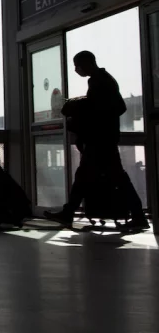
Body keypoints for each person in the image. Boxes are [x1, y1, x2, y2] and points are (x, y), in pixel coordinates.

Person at [45, 51, 149, 231]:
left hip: (100, 141)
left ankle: (68, 213)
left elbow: (101, 108)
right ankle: (138, 216)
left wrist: (79, 107)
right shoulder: (104, 79)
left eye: (78, 65)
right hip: (104, 140)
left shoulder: (99, 81)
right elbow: (114, 106)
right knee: (107, 177)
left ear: (87, 63)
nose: (76, 69)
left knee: (91, 177)